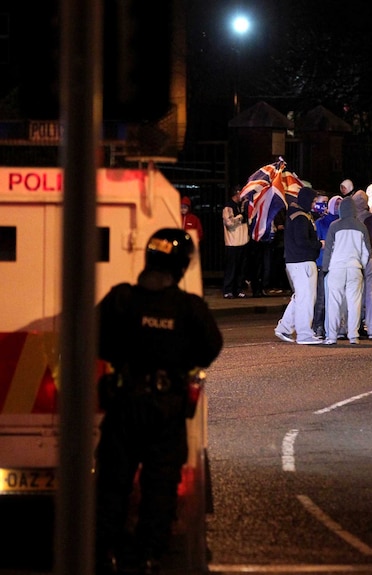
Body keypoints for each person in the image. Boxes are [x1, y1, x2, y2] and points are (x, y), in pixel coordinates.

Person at [94, 228, 223, 575]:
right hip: (166, 410)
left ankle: (107, 554)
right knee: (161, 486)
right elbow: (211, 348)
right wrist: (177, 363)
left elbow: (95, 338)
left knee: (113, 484)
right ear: (181, 266)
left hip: (124, 404)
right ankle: (150, 556)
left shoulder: (121, 300)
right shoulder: (188, 309)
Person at [274, 187, 323, 345]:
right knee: (307, 299)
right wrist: (319, 244)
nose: (315, 204)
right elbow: (302, 241)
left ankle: (284, 327)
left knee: (300, 297)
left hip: (296, 262)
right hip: (303, 262)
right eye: (313, 201)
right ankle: (304, 334)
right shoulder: (301, 217)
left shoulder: (295, 214)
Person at [321, 196, 370, 345]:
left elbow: (328, 249)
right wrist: (360, 265)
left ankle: (332, 336)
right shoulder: (362, 226)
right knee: (354, 303)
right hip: (354, 268)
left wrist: (325, 268)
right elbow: (367, 251)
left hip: (336, 268)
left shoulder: (334, 226)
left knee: (334, 303)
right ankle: (353, 335)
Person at [352, 189, 372, 338]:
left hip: (355, 261)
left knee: (355, 295)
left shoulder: (350, 219)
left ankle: (355, 326)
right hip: (371, 260)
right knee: (371, 294)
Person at [312, 195, 342, 338]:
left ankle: (333, 327)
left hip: (339, 265)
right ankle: (318, 326)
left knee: (337, 299)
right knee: (322, 298)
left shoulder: (344, 222)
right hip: (323, 264)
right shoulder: (321, 222)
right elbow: (317, 242)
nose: (337, 207)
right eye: (335, 204)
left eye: (340, 205)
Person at [222, 185, 249, 299]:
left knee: (240, 269)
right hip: (232, 243)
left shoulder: (240, 206)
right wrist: (240, 217)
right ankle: (228, 290)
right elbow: (229, 223)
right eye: (240, 194)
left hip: (242, 242)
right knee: (231, 268)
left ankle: (237, 289)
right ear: (236, 194)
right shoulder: (228, 207)